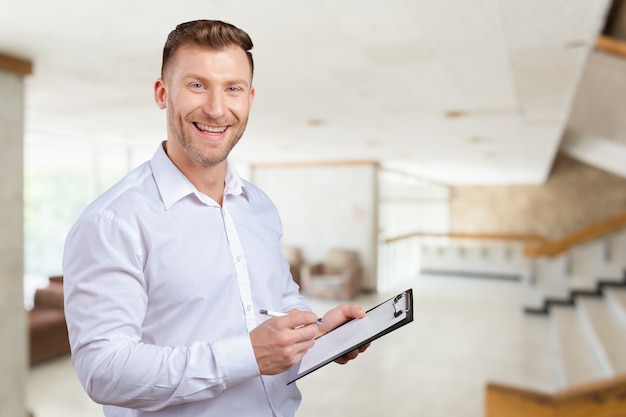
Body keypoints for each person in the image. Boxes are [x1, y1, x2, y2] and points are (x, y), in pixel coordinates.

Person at [62, 19, 368, 417]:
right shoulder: (113, 222)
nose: (217, 108)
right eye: (197, 85)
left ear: (250, 99)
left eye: (233, 89)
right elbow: (103, 371)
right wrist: (246, 355)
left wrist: (322, 332)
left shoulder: (258, 207)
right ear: (161, 93)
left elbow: (278, 299)